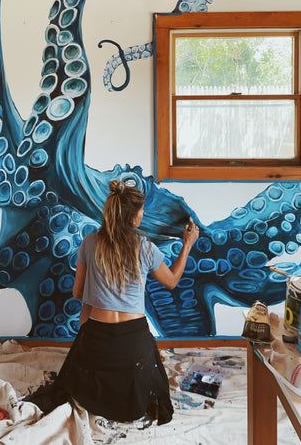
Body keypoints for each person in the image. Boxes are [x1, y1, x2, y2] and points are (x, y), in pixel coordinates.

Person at [27, 179, 199, 425]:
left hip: (97, 338)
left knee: (76, 365)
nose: (142, 216)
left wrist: (98, 292)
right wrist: (187, 244)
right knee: (150, 370)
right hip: (133, 340)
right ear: (133, 217)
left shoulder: (90, 242)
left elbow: (77, 292)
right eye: (141, 212)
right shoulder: (144, 246)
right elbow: (171, 281)